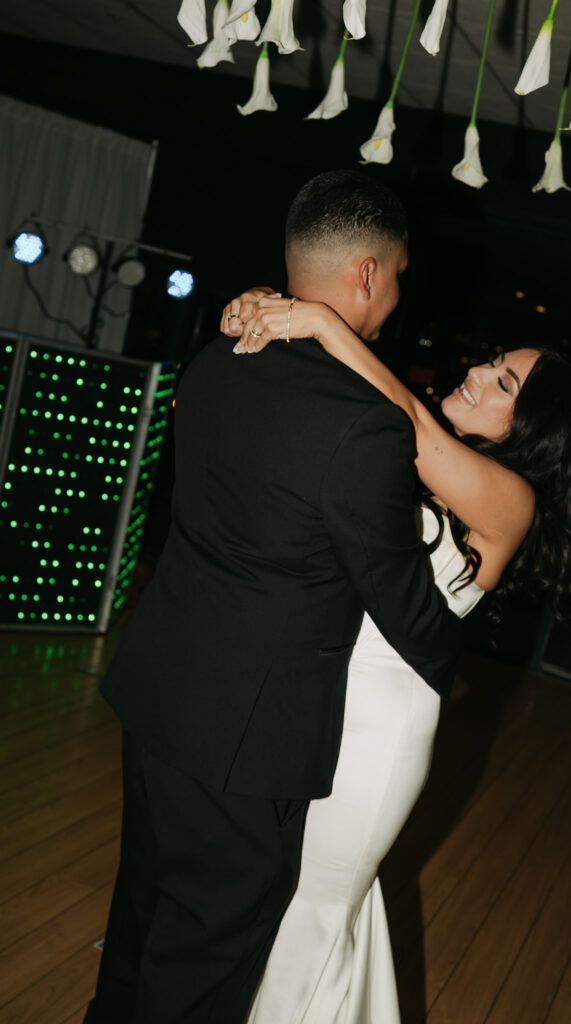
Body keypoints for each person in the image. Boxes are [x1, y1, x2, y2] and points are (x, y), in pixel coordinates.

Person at [83, 171, 465, 1024]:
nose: (397, 293)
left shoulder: (219, 359)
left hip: (160, 690)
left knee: (142, 916)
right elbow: (404, 605)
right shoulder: (363, 422)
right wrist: (454, 657)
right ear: (366, 274)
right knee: (207, 954)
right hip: (248, 736)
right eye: (398, 274)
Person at [220, 293, 571, 1023]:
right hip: (311, 696)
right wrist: (257, 319)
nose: (478, 376)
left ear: (531, 432)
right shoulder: (414, 458)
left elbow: (409, 418)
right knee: (282, 897)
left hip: (376, 730)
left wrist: (325, 323)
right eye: (490, 363)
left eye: (503, 385)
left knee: (319, 910)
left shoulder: (509, 498)